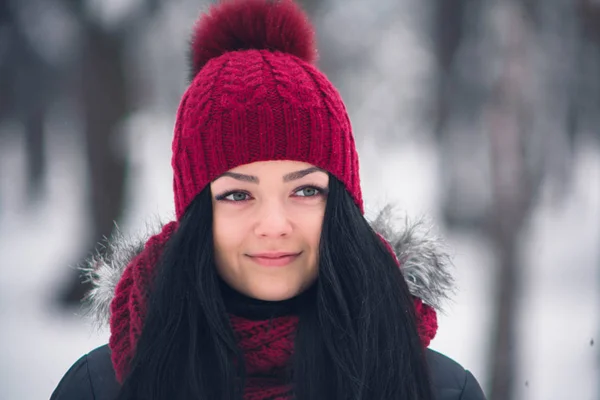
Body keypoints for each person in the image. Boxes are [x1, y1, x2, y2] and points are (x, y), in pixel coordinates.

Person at [51, 0, 487, 399]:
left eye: (305, 190)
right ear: (197, 216)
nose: (275, 224)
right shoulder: (99, 390)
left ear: (342, 208)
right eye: (238, 194)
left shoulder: (442, 390)